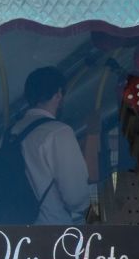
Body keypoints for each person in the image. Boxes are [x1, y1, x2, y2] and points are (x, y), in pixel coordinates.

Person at [16, 66, 90, 224]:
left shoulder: (10, 133)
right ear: (58, 94)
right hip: (52, 232)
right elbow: (76, 198)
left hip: (13, 232)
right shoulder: (58, 132)